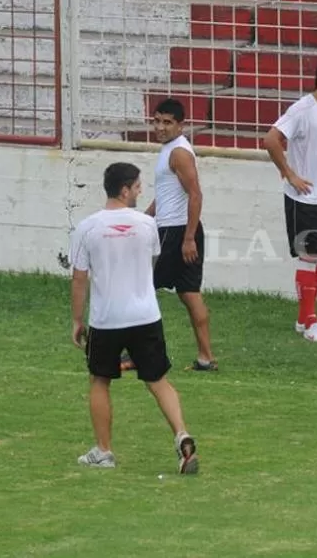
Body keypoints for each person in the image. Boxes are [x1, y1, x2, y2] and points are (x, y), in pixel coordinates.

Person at [69, 162, 199, 474]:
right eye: (138, 186)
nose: (141, 191)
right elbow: (149, 262)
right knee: (158, 380)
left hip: (107, 319)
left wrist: (77, 319)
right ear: (125, 189)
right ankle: (182, 435)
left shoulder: (87, 227)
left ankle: (103, 451)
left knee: (100, 380)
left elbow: (79, 278)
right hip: (146, 316)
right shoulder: (147, 225)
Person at [264, 58, 317, 343]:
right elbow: (271, 139)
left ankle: (305, 318)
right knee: (308, 254)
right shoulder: (302, 109)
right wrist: (290, 174)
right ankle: (310, 320)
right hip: (305, 197)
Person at [141, 98, 216, 372]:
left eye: (167, 122)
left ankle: (139, 353)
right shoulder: (170, 151)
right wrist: (144, 217)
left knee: (142, 290)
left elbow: (195, 194)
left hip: (175, 232)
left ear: (180, 125)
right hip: (179, 229)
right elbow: (166, 195)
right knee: (189, 294)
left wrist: (187, 238)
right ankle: (206, 358)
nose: (160, 127)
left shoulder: (179, 154)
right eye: (157, 121)